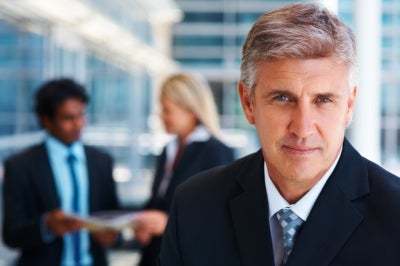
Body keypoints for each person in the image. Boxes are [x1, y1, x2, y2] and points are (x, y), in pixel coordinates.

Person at [158, 3, 400, 266]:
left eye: (323, 100)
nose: (303, 128)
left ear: (349, 105)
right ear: (248, 102)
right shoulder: (195, 206)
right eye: (283, 98)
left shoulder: (395, 215)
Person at [2, 78, 120, 266]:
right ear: (47, 120)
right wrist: (46, 225)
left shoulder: (101, 162)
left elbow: (115, 218)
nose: (78, 124)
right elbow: (10, 235)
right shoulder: (20, 166)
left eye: (81, 115)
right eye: (68, 118)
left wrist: (112, 236)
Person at [134, 72, 234, 266]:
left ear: (191, 110)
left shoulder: (216, 152)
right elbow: (160, 201)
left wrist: (168, 224)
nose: (161, 115)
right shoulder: (167, 150)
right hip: (154, 255)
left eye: (167, 110)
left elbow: (220, 219)